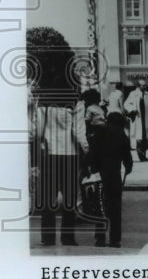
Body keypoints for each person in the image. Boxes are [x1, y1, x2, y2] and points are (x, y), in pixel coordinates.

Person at [32, 96, 89, 247]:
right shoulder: (77, 102)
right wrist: (87, 151)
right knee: (69, 200)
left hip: (48, 155)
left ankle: (48, 238)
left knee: (47, 200)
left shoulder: (42, 102)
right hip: (70, 155)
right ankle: (68, 238)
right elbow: (78, 132)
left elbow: (37, 132)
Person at [87, 109, 132, 247]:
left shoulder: (99, 133)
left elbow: (91, 154)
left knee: (100, 207)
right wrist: (128, 167)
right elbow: (127, 157)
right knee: (115, 209)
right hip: (114, 175)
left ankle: (100, 238)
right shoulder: (121, 134)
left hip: (100, 175)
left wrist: (91, 169)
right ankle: (115, 239)